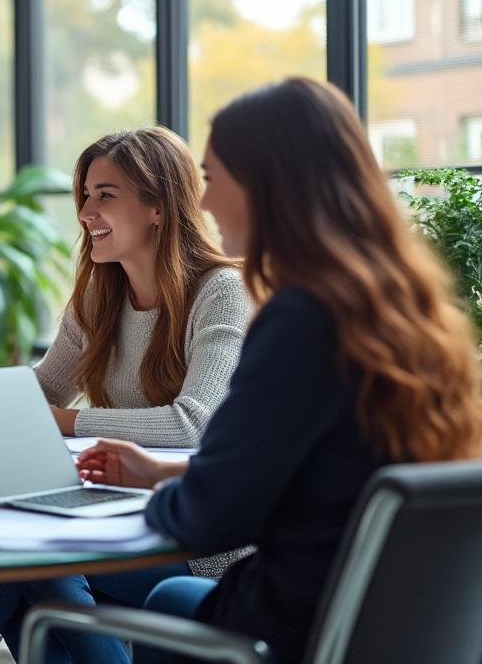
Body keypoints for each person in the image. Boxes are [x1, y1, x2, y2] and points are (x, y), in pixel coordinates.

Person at [75, 78, 482, 663]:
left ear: (270, 183)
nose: (206, 203)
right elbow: (315, 476)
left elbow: (209, 516)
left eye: (214, 179)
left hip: (294, 629)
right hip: (398, 628)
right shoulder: (416, 316)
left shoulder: (299, 318)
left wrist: (150, 498)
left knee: (163, 597)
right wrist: (162, 473)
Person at [0, 127, 251, 664]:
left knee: (31, 560)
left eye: (105, 195)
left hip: (198, 544)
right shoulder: (99, 295)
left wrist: (66, 423)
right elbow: (44, 386)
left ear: (158, 205)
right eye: (84, 195)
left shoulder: (221, 291)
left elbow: (194, 425)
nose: (85, 211)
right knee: (21, 568)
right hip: (115, 517)